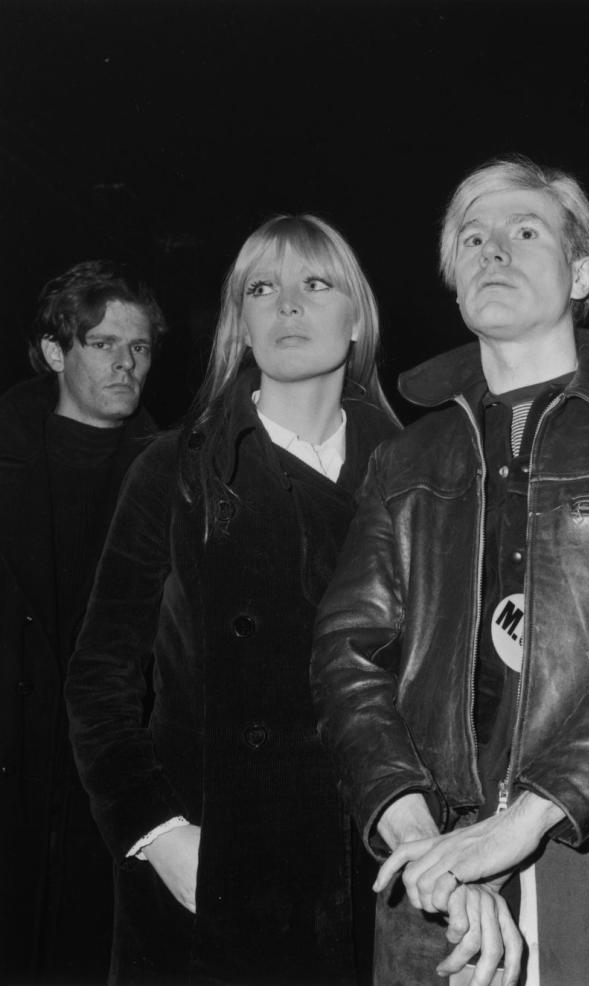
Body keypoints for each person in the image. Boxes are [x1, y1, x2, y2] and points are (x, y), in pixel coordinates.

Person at [311, 157, 589, 986]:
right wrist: (425, 846)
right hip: (425, 856)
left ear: (582, 270)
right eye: (471, 238)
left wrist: (520, 824)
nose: (493, 251)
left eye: (525, 232)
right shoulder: (404, 460)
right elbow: (347, 654)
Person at [65, 215, 399, 984]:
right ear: (240, 324)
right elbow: (99, 677)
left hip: (364, 867)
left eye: (315, 284)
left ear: (356, 320)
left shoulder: (412, 473)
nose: (287, 304)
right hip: (206, 867)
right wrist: (159, 833)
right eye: (262, 288)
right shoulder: (172, 470)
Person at [0, 260, 165, 984]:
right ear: (55, 352)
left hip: (111, 779)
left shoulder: (173, 476)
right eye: (104, 344)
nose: (127, 364)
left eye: (140, 348)